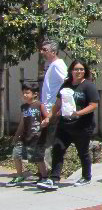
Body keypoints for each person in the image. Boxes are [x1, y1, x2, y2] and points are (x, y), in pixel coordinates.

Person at [37, 60, 99, 191]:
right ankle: (54, 179)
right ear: (71, 70)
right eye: (76, 69)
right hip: (64, 125)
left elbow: (94, 105)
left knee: (83, 152)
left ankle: (86, 177)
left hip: (82, 126)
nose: (79, 71)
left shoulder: (89, 86)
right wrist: (49, 117)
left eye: (81, 69)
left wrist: (78, 113)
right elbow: (58, 103)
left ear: (85, 71)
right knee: (58, 149)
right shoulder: (66, 84)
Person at [8, 83, 49, 186]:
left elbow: (47, 117)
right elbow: (22, 123)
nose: (25, 95)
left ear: (35, 94)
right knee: (16, 154)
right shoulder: (24, 107)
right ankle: (19, 176)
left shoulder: (40, 105)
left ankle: (44, 178)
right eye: (23, 93)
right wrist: (16, 136)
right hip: (24, 137)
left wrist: (45, 122)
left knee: (38, 158)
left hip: (37, 137)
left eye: (27, 93)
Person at [38, 41, 67, 169]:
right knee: (46, 140)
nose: (42, 52)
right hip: (47, 108)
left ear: (53, 52)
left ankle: (48, 172)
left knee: (49, 141)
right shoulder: (51, 65)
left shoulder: (58, 65)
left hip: (53, 109)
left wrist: (61, 105)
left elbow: (66, 84)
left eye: (45, 50)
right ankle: (45, 170)